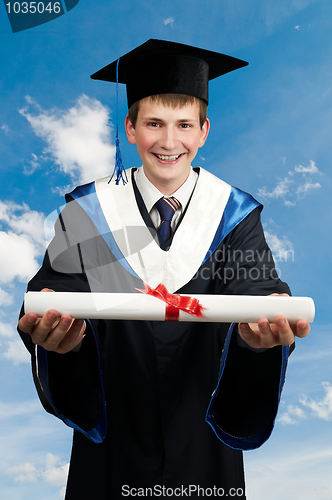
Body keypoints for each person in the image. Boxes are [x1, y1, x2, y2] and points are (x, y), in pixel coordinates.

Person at [18, 40, 310, 499]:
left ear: (203, 131)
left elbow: (259, 288)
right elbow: (53, 291)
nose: (170, 142)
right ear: (130, 129)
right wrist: (63, 342)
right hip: (115, 431)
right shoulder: (88, 212)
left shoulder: (234, 216)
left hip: (203, 437)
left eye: (184, 125)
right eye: (154, 123)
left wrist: (260, 334)